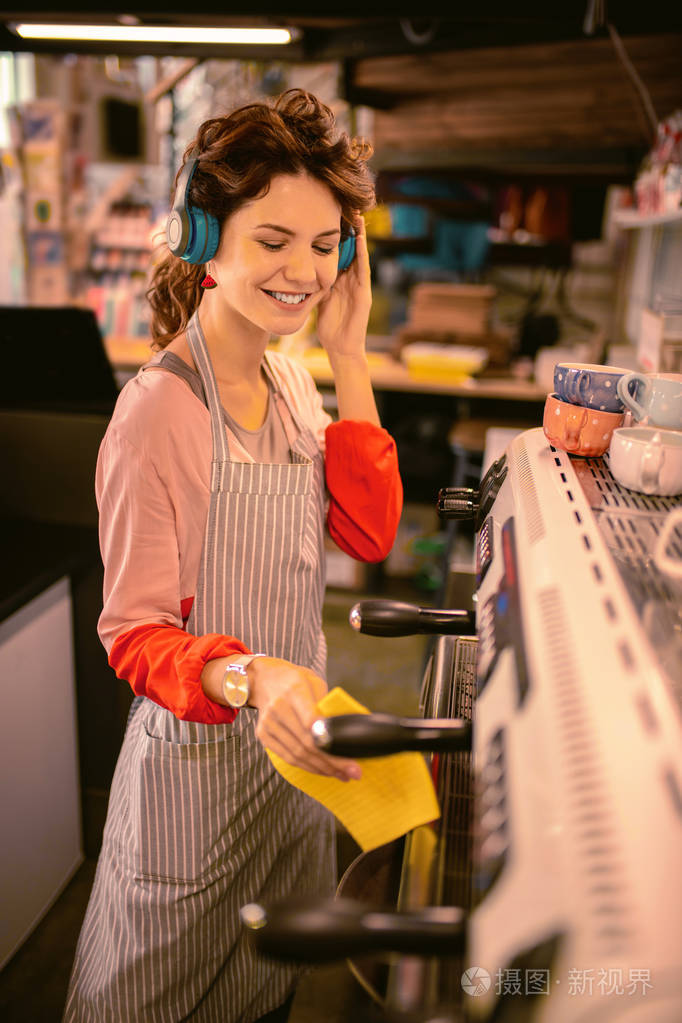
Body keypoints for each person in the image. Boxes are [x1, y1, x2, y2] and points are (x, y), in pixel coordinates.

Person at [63, 88, 403, 1023]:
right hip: (194, 784)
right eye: (274, 239)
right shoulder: (160, 410)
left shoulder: (293, 381)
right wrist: (253, 678)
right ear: (207, 237)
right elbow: (133, 634)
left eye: (326, 243)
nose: (305, 269)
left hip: (281, 782)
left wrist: (351, 349)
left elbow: (369, 534)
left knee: (264, 994)